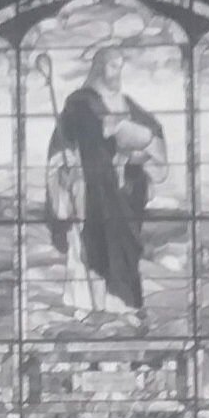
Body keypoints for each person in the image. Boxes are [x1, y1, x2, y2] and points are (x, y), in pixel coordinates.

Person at [41, 44, 166, 314]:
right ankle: (88, 306)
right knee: (90, 246)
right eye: (112, 66)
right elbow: (61, 145)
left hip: (124, 193)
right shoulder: (80, 103)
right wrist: (63, 169)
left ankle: (123, 307)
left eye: (120, 67)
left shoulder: (126, 104)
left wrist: (139, 144)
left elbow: (152, 130)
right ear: (99, 68)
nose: (117, 72)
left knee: (125, 249)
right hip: (90, 191)